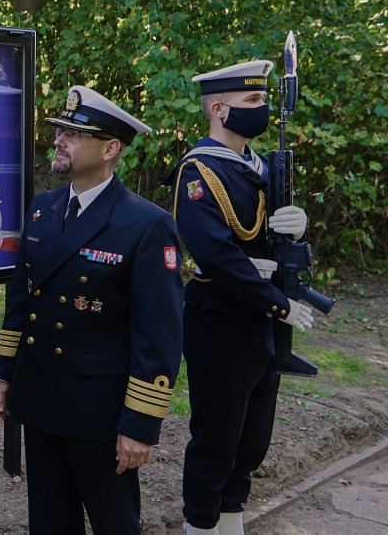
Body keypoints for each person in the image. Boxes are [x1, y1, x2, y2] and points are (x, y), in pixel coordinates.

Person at [0, 85, 184, 535]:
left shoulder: (146, 224)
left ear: (110, 148)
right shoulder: (42, 209)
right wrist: (3, 371)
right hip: (40, 399)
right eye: (59, 131)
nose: (58, 140)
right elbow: (22, 300)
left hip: (100, 414)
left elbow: (160, 335)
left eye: (73, 133)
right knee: (50, 523)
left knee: (115, 525)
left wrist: (140, 424)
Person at [163, 60, 313, 535]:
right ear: (220, 109)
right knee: (217, 442)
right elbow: (218, 255)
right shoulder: (198, 171)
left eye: (265, 99)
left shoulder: (262, 166)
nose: (262, 109)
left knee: (251, 444)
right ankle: (200, 526)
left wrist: (298, 230)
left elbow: (271, 244)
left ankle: (231, 524)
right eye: (252, 101)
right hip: (221, 321)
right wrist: (279, 304)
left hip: (261, 322)